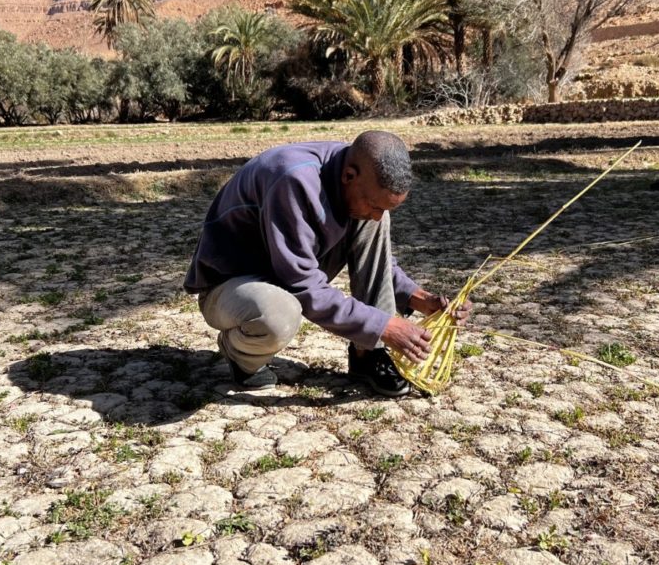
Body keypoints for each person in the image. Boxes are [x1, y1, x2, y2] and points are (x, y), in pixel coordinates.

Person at [184, 130, 472, 396]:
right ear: (349, 175)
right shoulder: (293, 181)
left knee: (372, 222)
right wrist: (385, 326)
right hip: (231, 287)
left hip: (281, 273)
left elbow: (378, 260)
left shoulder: (357, 180)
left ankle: (368, 354)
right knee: (278, 315)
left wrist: (421, 299)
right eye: (374, 205)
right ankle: (240, 354)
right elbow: (303, 285)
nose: (376, 215)